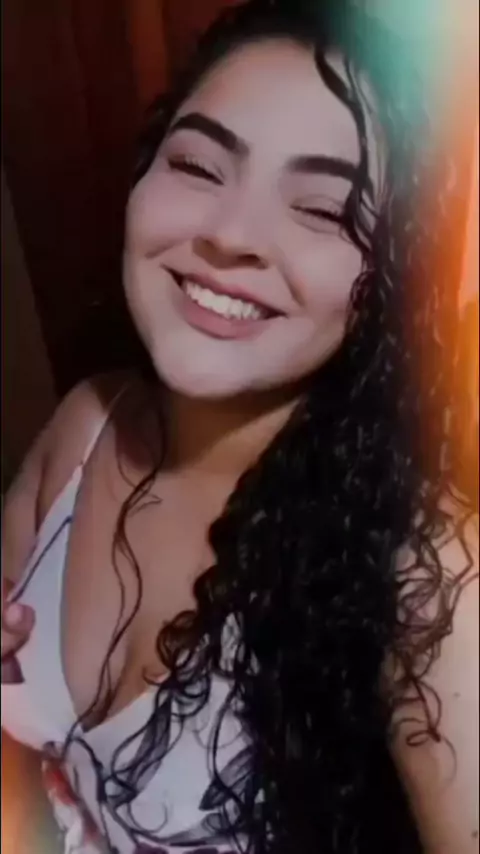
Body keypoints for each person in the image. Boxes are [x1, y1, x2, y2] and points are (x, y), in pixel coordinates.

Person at [1, 0, 478, 852]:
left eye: (324, 210)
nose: (229, 236)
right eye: (198, 165)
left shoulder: (430, 578)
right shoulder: (87, 424)